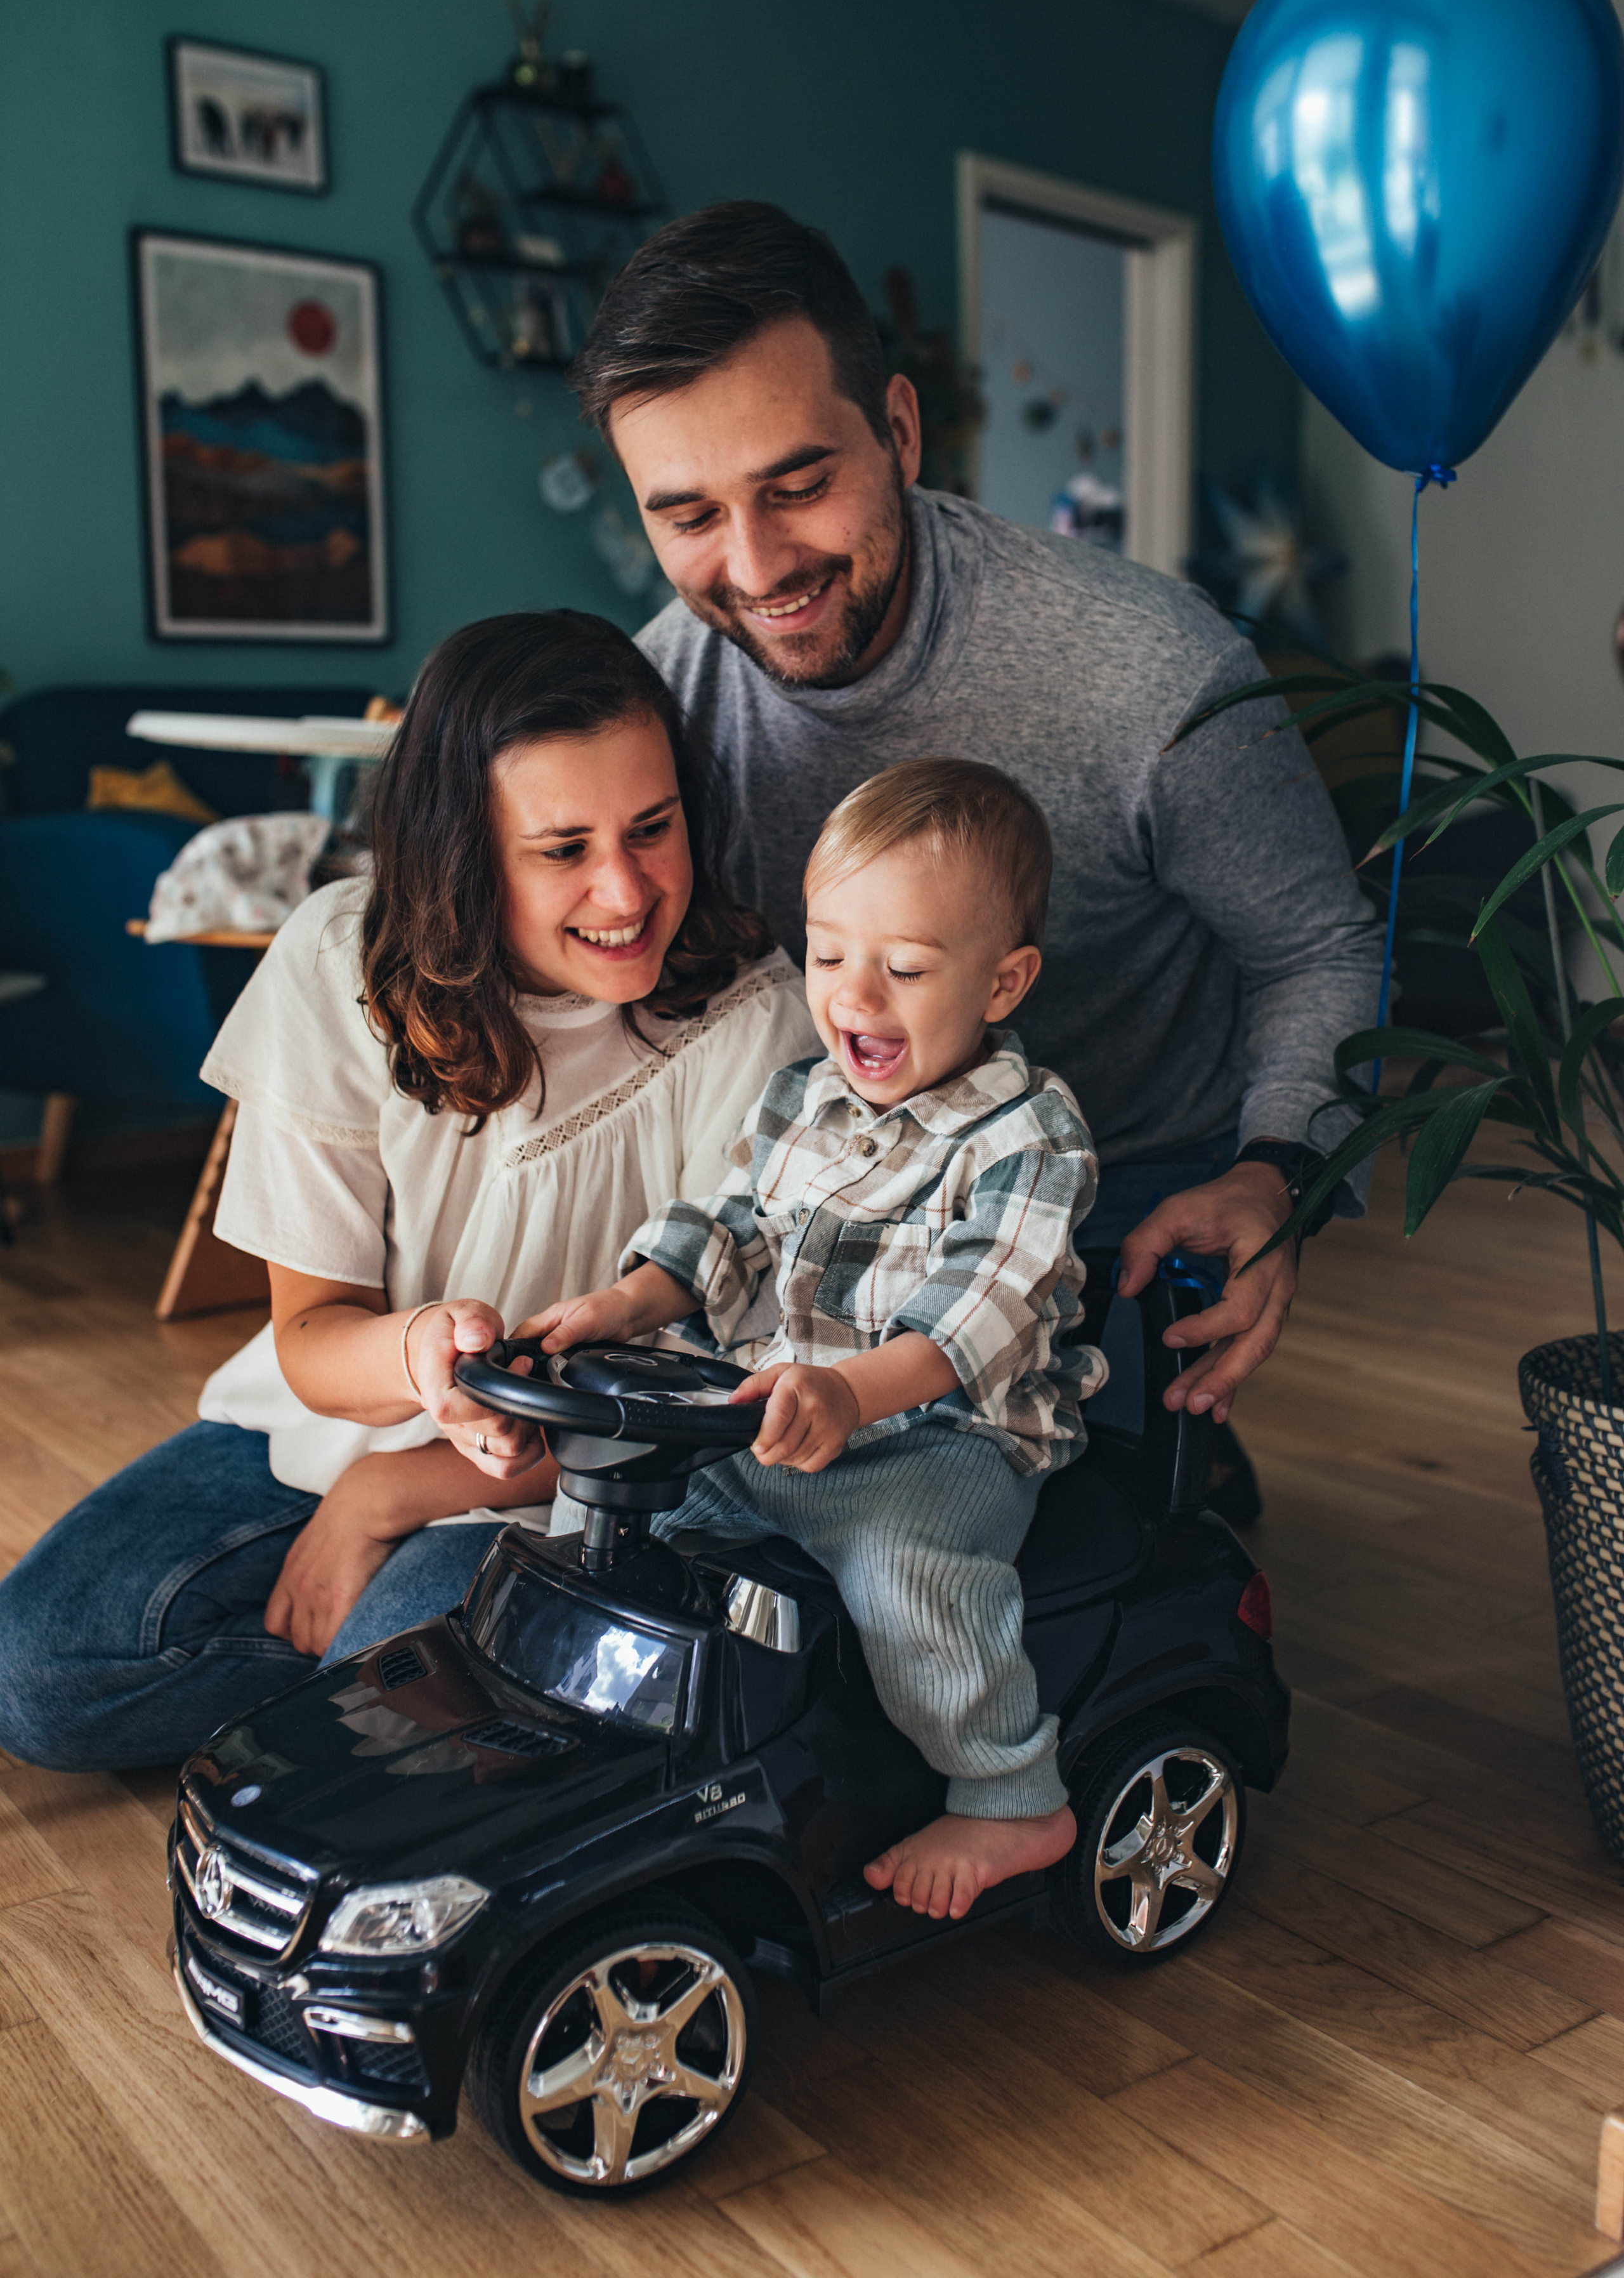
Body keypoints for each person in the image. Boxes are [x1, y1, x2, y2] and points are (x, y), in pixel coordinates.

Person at [568, 202, 1387, 1513]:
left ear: (897, 429)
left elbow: (1316, 947)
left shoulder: (1151, 674)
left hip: (1119, 1214)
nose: (757, 565)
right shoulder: (660, 697)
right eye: (689, 518)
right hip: (827, 1187)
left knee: (1093, 1562)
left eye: (796, 486)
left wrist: (1272, 1173)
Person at [0, 612, 816, 1770]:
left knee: (387, 1717)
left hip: (590, 1490)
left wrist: (386, 1499)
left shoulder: (750, 1018)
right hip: (339, 1421)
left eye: (653, 827)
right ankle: (390, 1703)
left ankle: (369, 1699)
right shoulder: (342, 962)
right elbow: (312, 1337)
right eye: (562, 848)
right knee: (39, 1676)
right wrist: (422, 1351)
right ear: (466, 853)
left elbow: (693, 1418)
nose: (626, 890)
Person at [516, 760, 1103, 1921]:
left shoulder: (1031, 1134)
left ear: (1004, 981)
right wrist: (625, 1304)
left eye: (908, 968)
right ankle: (593, 1729)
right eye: (831, 956)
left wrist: (848, 1398)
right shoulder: (799, 1097)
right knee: (619, 1512)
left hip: (939, 1440)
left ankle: (1009, 1796)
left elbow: (976, 1314)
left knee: (906, 1577)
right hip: (771, 1411)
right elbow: (729, 1227)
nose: (857, 998)